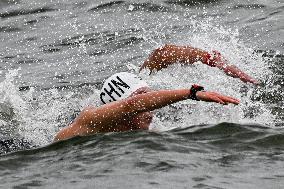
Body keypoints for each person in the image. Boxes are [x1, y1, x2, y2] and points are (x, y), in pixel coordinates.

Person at [54, 44, 258, 142]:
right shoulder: (91, 122)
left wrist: (211, 59)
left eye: (149, 97)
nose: (152, 110)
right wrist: (191, 92)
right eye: (147, 102)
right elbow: (133, 105)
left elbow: (161, 55)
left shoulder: (143, 122)